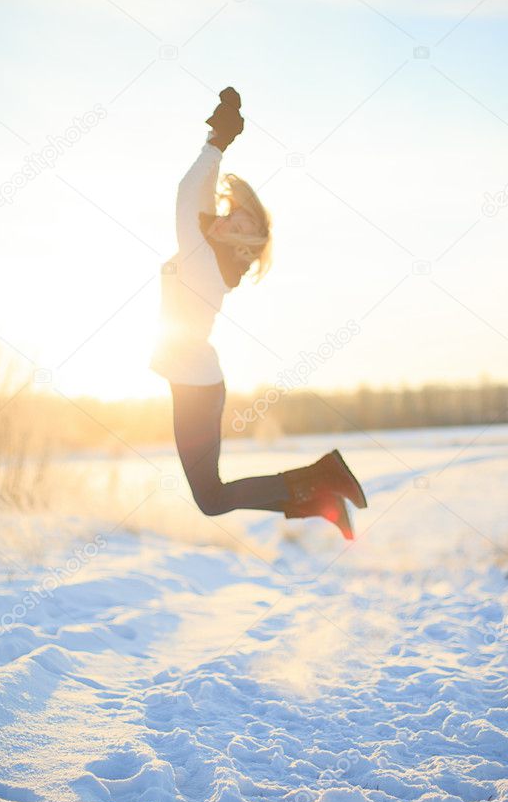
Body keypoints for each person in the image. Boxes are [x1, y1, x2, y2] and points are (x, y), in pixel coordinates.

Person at [149, 87, 367, 539]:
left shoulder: (207, 261)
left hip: (196, 384)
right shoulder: (210, 253)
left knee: (211, 498)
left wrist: (217, 141)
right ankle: (323, 498)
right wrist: (218, 139)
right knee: (211, 497)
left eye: (242, 227)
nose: (228, 222)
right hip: (195, 381)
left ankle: (324, 479)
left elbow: (188, 196)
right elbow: (202, 203)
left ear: (245, 244)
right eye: (233, 216)